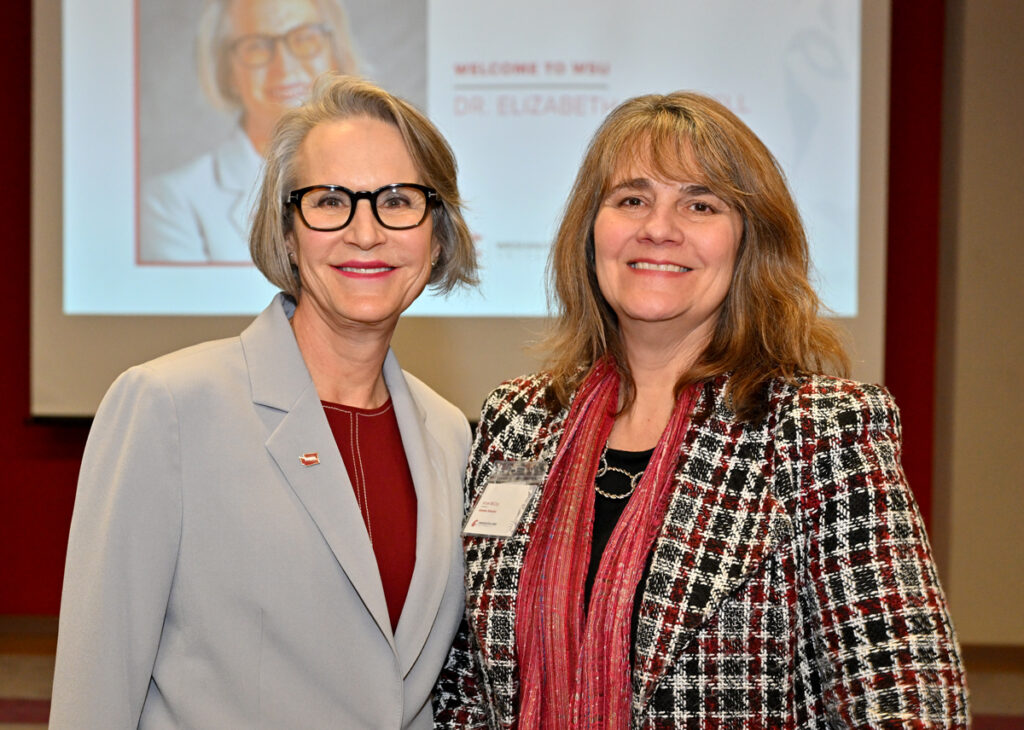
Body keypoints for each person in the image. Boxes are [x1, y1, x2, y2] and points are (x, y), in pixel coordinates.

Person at [434, 92, 968, 727]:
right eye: (631, 199)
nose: (658, 228)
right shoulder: (518, 421)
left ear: (749, 243)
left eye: (700, 204)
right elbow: (465, 680)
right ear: (590, 231)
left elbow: (905, 696)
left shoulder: (821, 430)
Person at [51, 73, 478, 728]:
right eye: (330, 201)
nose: (366, 232)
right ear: (286, 234)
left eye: (397, 200)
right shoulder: (167, 407)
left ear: (438, 235)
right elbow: (96, 690)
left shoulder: (449, 435)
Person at [139, 0, 359, 262]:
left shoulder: (384, 179)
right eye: (256, 47)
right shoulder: (171, 202)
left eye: (304, 39)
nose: (284, 66)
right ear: (228, 72)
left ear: (335, 55)